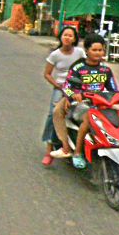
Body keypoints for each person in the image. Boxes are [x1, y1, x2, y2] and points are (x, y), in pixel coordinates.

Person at [51, 34, 119, 168]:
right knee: (67, 114)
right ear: (87, 51)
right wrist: (73, 95)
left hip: (99, 102)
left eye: (100, 50)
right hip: (79, 102)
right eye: (94, 50)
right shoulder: (78, 68)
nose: (98, 53)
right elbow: (67, 86)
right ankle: (74, 151)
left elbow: (113, 89)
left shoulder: (105, 70)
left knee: (118, 117)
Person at [40, 26, 84, 166]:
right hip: (61, 87)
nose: (67, 38)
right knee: (52, 114)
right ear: (60, 37)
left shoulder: (79, 52)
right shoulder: (55, 55)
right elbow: (47, 74)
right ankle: (49, 150)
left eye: (70, 35)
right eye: (65, 35)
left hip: (78, 87)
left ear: (75, 39)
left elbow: (86, 68)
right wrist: (58, 85)